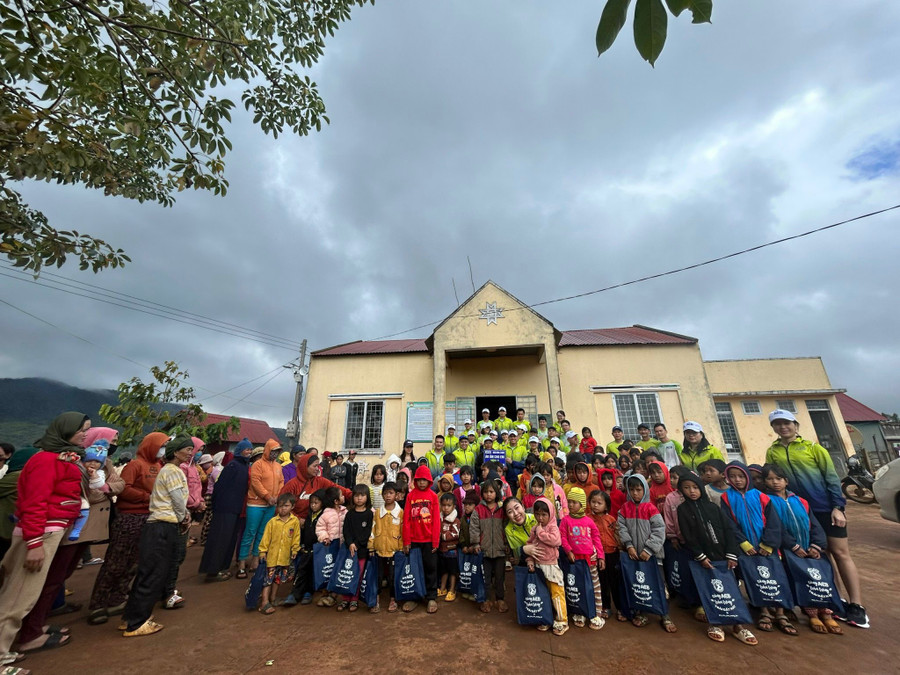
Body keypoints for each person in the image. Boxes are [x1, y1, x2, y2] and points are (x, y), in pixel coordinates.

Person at [17, 437, 124, 650]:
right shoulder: (74, 463)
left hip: (85, 528)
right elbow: (95, 494)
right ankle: (31, 631)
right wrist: (105, 486)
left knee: (59, 577)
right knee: (53, 579)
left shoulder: (101, 463)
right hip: (73, 528)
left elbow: (119, 485)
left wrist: (106, 485)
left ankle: (38, 625)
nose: (113, 443)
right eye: (112, 439)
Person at [764, 408, 868, 629]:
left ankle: (856, 605)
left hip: (823, 507)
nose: (783, 427)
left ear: (795, 425)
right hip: (798, 510)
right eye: (778, 424)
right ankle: (835, 598)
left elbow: (831, 478)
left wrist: (838, 507)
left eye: (787, 423)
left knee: (840, 552)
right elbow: (771, 476)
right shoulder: (772, 451)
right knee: (821, 555)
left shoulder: (813, 448)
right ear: (774, 428)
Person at [0, 412, 89, 664]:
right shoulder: (46, 461)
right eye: (82, 429)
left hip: (49, 531)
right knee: (17, 597)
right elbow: (35, 503)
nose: (85, 434)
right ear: (65, 431)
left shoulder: (58, 458)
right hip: (42, 533)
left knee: (23, 594)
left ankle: (21, 639)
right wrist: (35, 543)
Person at [88, 431, 165, 625]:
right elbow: (125, 489)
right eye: (161, 445)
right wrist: (148, 497)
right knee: (116, 561)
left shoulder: (158, 466)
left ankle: (117, 598)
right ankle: (98, 604)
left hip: (149, 517)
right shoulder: (135, 465)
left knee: (134, 563)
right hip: (130, 517)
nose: (163, 450)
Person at [121, 434, 194, 637]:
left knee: (147, 573)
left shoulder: (167, 470)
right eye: (187, 449)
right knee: (153, 575)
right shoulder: (172, 471)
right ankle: (136, 623)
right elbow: (178, 500)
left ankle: (131, 617)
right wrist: (183, 518)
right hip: (163, 525)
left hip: (158, 525)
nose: (190, 453)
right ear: (176, 451)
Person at [676, 471, 757, 645]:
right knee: (710, 590)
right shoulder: (682, 510)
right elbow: (688, 535)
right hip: (703, 558)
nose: (692, 491)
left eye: (695, 487)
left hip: (723, 555)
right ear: (681, 491)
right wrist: (700, 556)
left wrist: (731, 553)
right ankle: (716, 623)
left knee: (730, 590)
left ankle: (738, 626)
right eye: (686, 488)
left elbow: (728, 530)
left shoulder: (713, 507)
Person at [762, 463, 839, 635]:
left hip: (809, 547)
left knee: (818, 579)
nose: (775, 482)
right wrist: (793, 546)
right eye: (770, 479)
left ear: (786, 481)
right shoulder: (767, 501)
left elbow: (814, 524)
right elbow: (776, 527)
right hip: (789, 550)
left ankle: (826, 613)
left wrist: (816, 545)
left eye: (778, 478)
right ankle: (811, 613)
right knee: (801, 580)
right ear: (765, 482)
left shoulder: (800, 501)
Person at [720, 461, 783, 634]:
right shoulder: (726, 498)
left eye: (740, 476)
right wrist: (743, 543)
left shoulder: (761, 496)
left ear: (747, 476)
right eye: (732, 476)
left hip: (766, 546)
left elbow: (773, 522)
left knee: (774, 576)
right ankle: (763, 610)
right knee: (754, 577)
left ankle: (780, 612)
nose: (737, 480)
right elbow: (729, 524)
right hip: (745, 547)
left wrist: (769, 543)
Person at [617, 475, 674, 632]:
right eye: (632, 490)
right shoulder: (624, 509)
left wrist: (649, 549)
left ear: (645, 490)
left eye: (639, 490)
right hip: (634, 554)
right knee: (640, 585)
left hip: (653, 556)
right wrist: (629, 546)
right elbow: (621, 528)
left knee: (659, 585)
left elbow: (659, 530)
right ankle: (643, 613)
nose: (635, 493)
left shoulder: (651, 508)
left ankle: (665, 614)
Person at [198, 442, 251, 582]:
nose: (249, 452)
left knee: (229, 540)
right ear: (240, 450)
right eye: (247, 449)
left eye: (250, 449)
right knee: (220, 539)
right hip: (225, 509)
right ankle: (213, 570)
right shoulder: (232, 466)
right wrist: (217, 506)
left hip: (236, 509)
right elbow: (219, 487)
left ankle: (222, 568)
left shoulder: (245, 466)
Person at [559, 487, 605, 630]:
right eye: (569, 501)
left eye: (575, 502)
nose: (571, 505)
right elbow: (563, 537)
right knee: (576, 587)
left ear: (582, 505)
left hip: (589, 561)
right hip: (574, 561)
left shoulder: (589, 521)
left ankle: (596, 614)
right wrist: (568, 550)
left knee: (594, 587)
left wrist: (601, 556)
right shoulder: (565, 520)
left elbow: (596, 539)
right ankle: (579, 613)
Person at [238, 440, 284, 578]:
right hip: (256, 504)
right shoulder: (258, 464)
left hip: (271, 504)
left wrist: (277, 496)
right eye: (273, 451)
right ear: (267, 450)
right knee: (250, 532)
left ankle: (256, 559)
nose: (275, 454)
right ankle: (241, 561)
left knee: (263, 533)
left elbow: (281, 481)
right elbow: (255, 482)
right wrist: (267, 496)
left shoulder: (277, 466)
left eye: (277, 451)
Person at [523, 497, 568, 635]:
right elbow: (529, 544)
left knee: (557, 593)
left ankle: (562, 620)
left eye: (544, 514)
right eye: (537, 514)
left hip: (551, 566)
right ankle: (546, 618)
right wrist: (530, 560)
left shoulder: (552, 527)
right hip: (538, 566)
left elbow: (556, 541)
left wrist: (541, 532)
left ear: (551, 514)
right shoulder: (534, 529)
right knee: (543, 594)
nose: (540, 518)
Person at [402, 465, 441, 613]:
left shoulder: (433, 496)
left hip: (429, 541)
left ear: (429, 481)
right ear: (415, 480)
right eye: (419, 480)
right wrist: (406, 541)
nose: (422, 483)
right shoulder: (410, 496)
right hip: (414, 540)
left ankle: (431, 597)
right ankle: (414, 597)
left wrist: (435, 541)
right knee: (414, 569)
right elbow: (406, 520)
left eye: (425, 480)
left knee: (431, 569)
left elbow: (436, 520)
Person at [256, 493, 300, 615]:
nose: (283, 509)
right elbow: (265, 539)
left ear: (292, 506)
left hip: (284, 557)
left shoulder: (294, 521)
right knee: (267, 580)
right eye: (280, 506)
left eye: (286, 506)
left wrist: (295, 550)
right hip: (272, 558)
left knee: (278, 579)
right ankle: (264, 602)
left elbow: (296, 537)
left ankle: (273, 598)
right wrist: (262, 551)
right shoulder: (272, 522)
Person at [279, 453, 351, 526]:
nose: (317, 469)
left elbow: (336, 487)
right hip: (294, 524)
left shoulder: (320, 481)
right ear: (305, 467)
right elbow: (281, 505)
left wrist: (353, 495)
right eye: (315, 466)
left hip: (315, 522)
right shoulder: (292, 485)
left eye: (318, 466)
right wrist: (297, 519)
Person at [283, 488, 325, 607]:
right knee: (301, 571)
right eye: (311, 503)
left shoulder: (323, 516)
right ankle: (295, 594)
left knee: (312, 572)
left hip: (317, 550)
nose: (313, 505)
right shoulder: (308, 516)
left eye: (316, 503)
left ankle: (308, 592)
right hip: (306, 549)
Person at [470, 476, 507, 613]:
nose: (489, 494)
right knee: (485, 577)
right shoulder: (478, 510)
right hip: (483, 550)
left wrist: (506, 544)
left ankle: (500, 599)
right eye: (486, 492)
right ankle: (486, 599)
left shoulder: (502, 509)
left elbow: (507, 528)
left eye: (492, 492)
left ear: (497, 493)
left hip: (500, 549)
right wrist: (475, 544)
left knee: (499, 576)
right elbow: (474, 527)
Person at [336, 484, 373, 612]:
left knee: (358, 575)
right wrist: (350, 543)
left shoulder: (369, 514)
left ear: (367, 497)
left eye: (362, 495)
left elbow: (367, 532)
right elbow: (346, 530)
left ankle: (354, 599)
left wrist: (357, 544)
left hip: (361, 551)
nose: (359, 498)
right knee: (346, 574)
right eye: (356, 495)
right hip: (348, 550)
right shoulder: (349, 514)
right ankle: (345, 598)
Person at [367, 482, 403, 613]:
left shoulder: (400, 513)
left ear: (396, 495)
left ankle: (393, 599)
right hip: (379, 550)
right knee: (378, 576)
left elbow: (402, 531)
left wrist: (401, 548)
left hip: (394, 551)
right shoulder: (377, 513)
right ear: (382, 495)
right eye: (385, 493)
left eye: (391, 493)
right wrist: (371, 547)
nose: (388, 496)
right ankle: (375, 599)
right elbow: (372, 530)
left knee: (393, 577)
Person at [588, 489, 622, 621]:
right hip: (597, 555)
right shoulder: (588, 519)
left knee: (615, 581)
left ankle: (620, 607)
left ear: (606, 506)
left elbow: (617, 535)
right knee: (602, 581)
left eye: (599, 503)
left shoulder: (611, 519)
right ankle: (606, 606)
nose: (595, 505)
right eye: (593, 502)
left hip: (612, 553)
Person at [314, 487, 347, 608]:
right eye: (341, 495)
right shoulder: (325, 515)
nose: (344, 497)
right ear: (336, 501)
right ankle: (325, 593)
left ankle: (333, 595)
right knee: (328, 569)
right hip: (330, 546)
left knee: (339, 569)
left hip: (342, 546)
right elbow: (320, 528)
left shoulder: (345, 511)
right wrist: (324, 537)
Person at [437, 493, 460, 602]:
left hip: (452, 550)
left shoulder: (455, 520)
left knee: (452, 571)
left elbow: (456, 534)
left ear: (454, 506)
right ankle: (443, 588)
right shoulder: (440, 518)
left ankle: (452, 590)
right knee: (444, 570)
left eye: (449, 505)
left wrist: (443, 535)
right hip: (442, 549)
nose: (446, 508)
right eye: (444, 505)